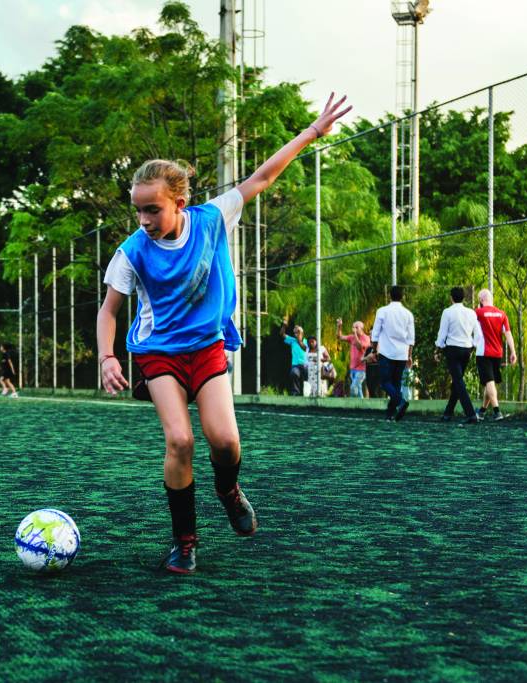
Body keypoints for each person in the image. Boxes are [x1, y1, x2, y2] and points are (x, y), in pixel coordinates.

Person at [97, 93, 351, 574]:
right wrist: (109, 357)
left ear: (180, 202)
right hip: (159, 354)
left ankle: (228, 488)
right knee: (180, 441)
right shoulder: (131, 251)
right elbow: (110, 310)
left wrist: (312, 132)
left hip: (208, 348)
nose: (145, 221)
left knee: (226, 443)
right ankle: (185, 541)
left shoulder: (213, 219)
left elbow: (263, 176)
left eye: (153, 210)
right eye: (138, 211)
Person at [434, 286, 484, 424]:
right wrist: (473, 346)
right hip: (467, 350)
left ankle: (471, 414)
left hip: (452, 350)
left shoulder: (447, 312)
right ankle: (447, 413)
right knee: (457, 382)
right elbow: (478, 334)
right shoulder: (471, 313)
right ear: (464, 298)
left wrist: (438, 349)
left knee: (458, 382)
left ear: (451, 298)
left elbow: (442, 333)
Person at [371, 285, 415, 421]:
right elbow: (411, 338)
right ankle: (390, 414)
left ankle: (401, 402)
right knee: (396, 384)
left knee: (385, 382)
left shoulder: (382, 311)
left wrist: (374, 349)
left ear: (390, 296)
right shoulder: (408, 314)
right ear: (402, 297)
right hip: (401, 354)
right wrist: (409, 355)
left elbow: (375, 333)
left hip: (386, 352)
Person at [474, 288, 517, 421]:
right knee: (490, 382)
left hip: (483, 352)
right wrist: (513, 351)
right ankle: (482, 411)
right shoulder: (502, 314)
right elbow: (508, 333)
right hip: (498, 353)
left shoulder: (478, 312)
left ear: (481, 300)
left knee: (489, 382)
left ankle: (497, 411)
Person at [337, 319, 370, 398]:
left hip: (361, 369)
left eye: (356, 327)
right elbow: (339, 337)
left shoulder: (366, 338)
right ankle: (361, 405)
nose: (354, 329)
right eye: (353, 327)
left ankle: (352, 403)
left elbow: (359, 347)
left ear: (361, 329)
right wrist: (339, 326)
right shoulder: (351, 337)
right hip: (352, 368)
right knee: (358, 389)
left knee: (353, 387)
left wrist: (355, 334)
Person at [280, 320, 308, 396]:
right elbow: (282, 334)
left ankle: (307, 392)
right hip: (295, 365)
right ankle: (296, 392)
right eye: (295, 332)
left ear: (302, 333)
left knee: (309, 373)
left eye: (298, 332)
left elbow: (306, 349)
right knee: (294, 373)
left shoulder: (307, 341)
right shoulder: (292, 340)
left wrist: (299, 340)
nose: (296, 334)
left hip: (306, 364)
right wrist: (284, 326)